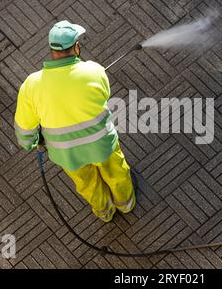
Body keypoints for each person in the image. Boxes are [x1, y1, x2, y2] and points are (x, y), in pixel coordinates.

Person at [14, 20, 135, 222]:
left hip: (67, 154)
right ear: (76, 47)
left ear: (52, 50)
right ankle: (126, 204)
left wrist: (33, 143)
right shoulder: (95, 71)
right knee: (116, 172)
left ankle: (105, 212)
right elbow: (104, 95)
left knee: (87, 184)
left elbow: (24, 131)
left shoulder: (31, 85)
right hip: (101, 145)